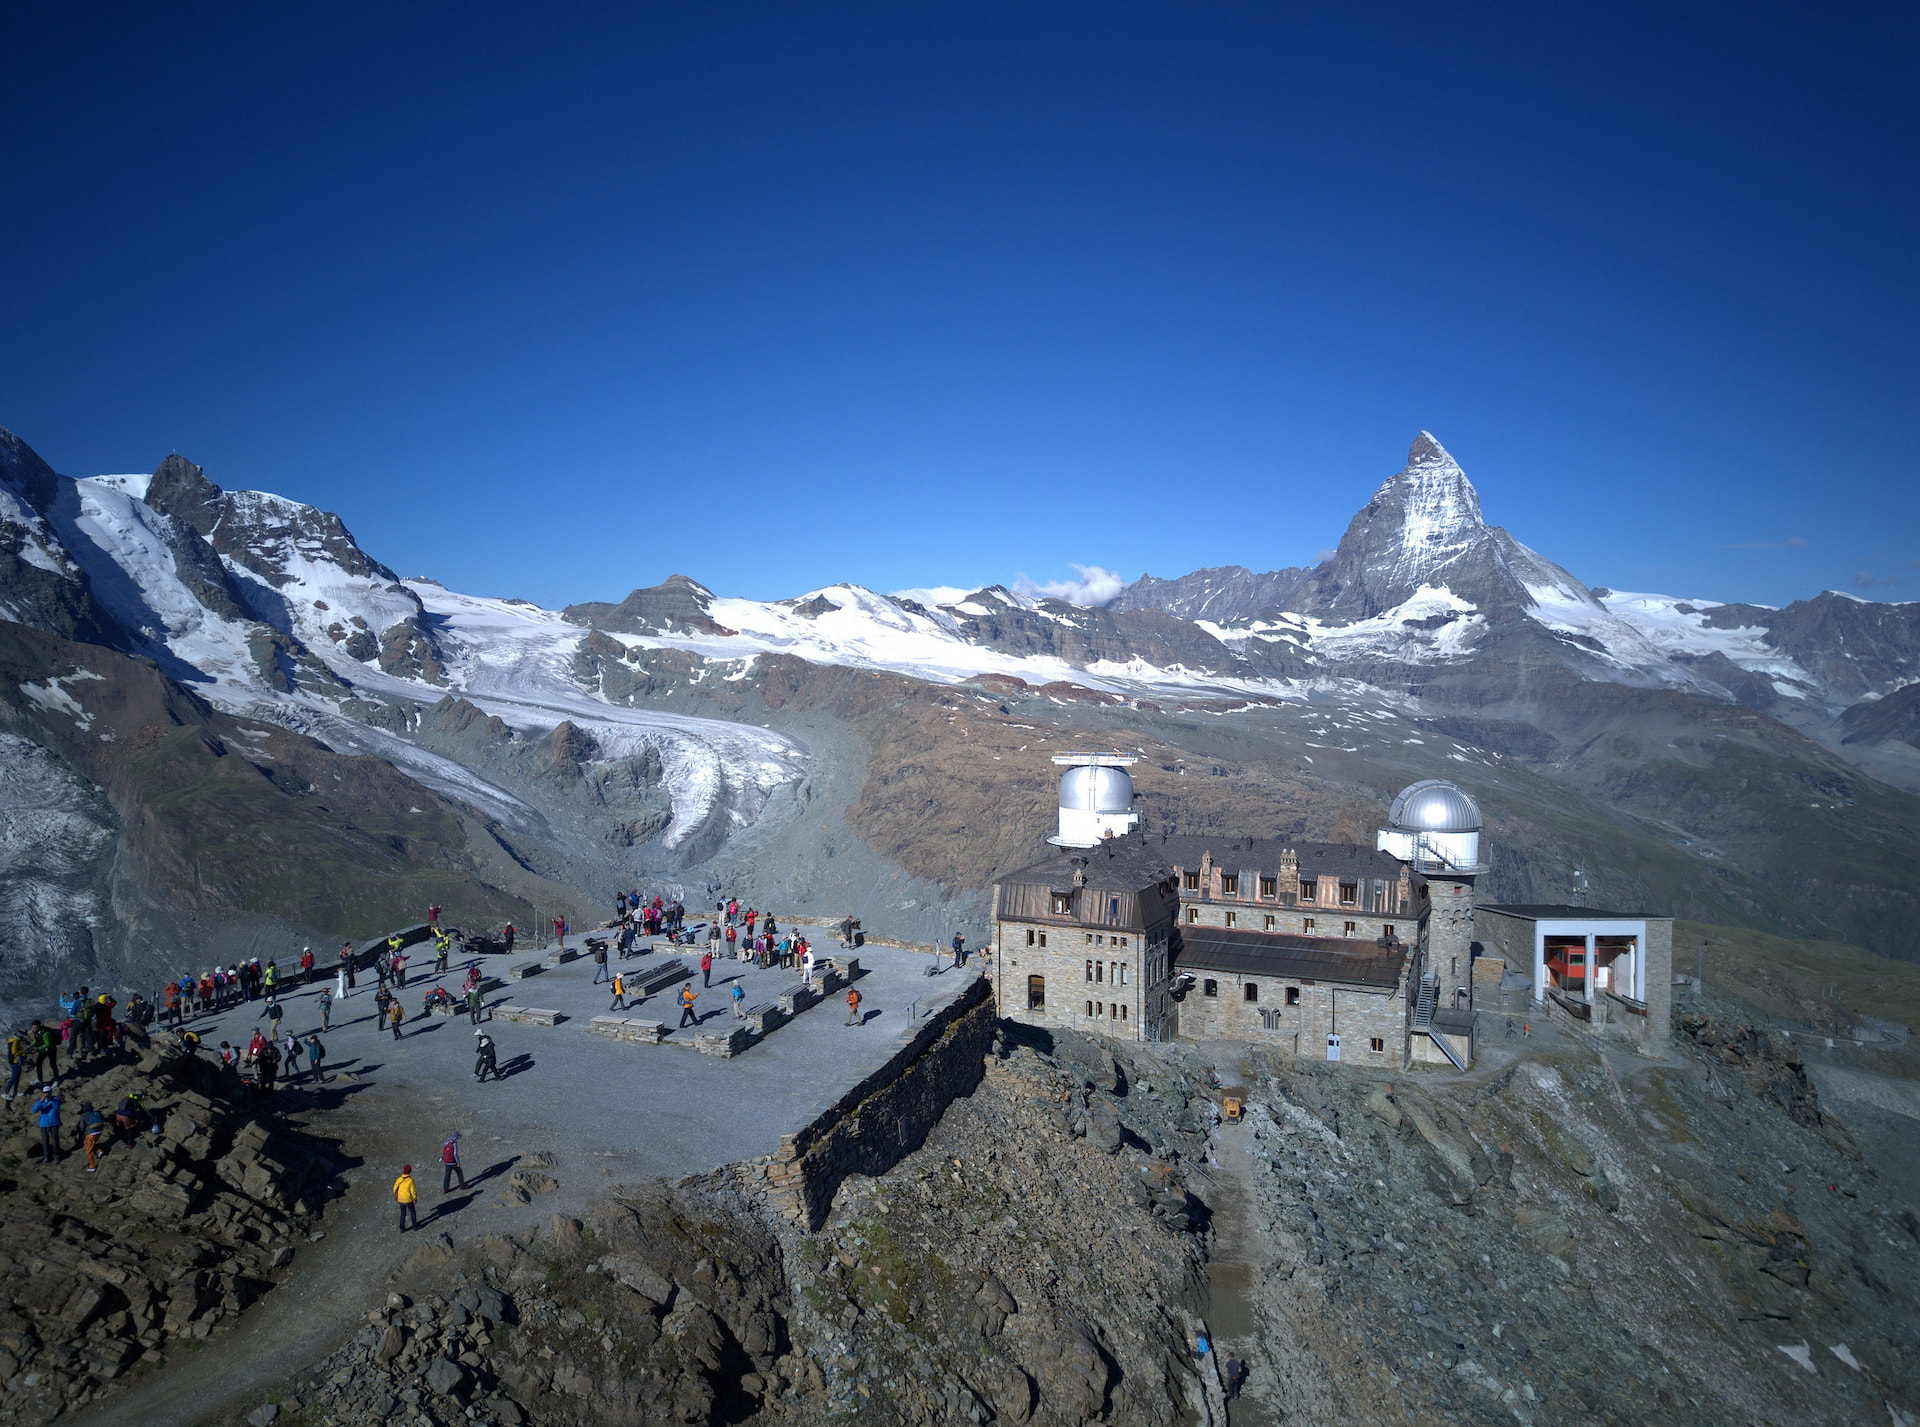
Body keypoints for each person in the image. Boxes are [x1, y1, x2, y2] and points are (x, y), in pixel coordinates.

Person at [33, 1086, 62, 1163]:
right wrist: (41, 1102)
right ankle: (47, 1156)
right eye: (45, 1092)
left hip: (54, 1123)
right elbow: (34, 1110)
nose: (46, 1094)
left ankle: (56, 1156)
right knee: (45, 1141)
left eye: (48, 1092)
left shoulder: (56, 1099)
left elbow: (57, 1107)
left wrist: (51, 1100)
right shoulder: (40, 1101)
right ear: (42, 1093)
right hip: (44, 1124)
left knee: (55, 1140)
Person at [394, 1164, 419, 1232]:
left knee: (403, 1213)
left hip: (400, 1199)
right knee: (412, 1212)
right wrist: (415, 1198)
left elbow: (394, 1188)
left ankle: (402, 1228)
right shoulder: (410, 1180)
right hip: (408, 1199)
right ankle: (414, 1226)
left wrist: (397, 1195)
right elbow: (413, 1190)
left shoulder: (399, 1179)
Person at [81, 1101, 105, 1172]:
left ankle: (92, 1166)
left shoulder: (84, 1115)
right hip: (99, 1132)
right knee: (88, 1143)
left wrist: (84, 1131)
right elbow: (103, 1119)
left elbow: (82, 1126)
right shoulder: (97, 1113)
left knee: (89, 1150)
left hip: (91, 1134)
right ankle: (98, 1151)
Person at [4, 1029, 24, 1102]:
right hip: (15, 1061)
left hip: (13, 1060)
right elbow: (14, 1051)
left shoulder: (11, 1040)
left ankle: (15, 1091)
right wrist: (23, 1052)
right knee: (14, 1077)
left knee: (17, 1077)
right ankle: (5, 1092)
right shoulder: (16, 1041)